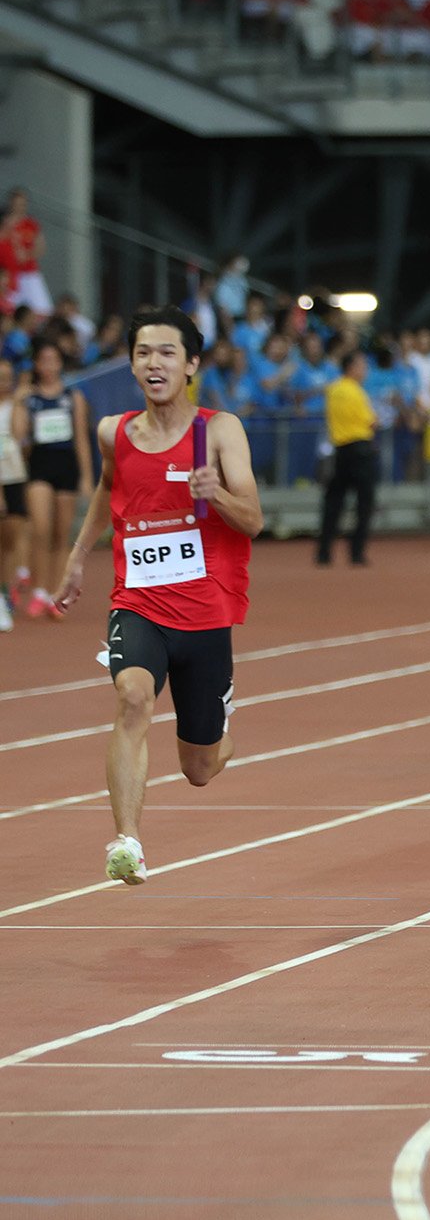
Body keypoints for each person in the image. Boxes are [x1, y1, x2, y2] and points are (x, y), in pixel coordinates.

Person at [52, 306, 262, 885]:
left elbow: (253, 520)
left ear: (191, 363)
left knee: (199, 768)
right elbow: (107, 486)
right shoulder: (113, 431)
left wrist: (214, 492)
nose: (154, 363)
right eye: (144, 352)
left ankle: (220, 731)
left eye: (167, 352)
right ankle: (127, 842)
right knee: (133, 697)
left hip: (205, 611)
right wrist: (77, 556)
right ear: (132, 363)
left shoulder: (220, 432)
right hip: (139, 602)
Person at [12, 338, 92, 620]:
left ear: (60, 364)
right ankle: (39, 589)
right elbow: (18, 435)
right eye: (43, 360)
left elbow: (81, 438)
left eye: (53, 360)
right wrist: (20, 401)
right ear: (36, 364)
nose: (48, 366)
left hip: (66, 466)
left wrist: (85, 477)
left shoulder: (73, 397)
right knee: (41, 529)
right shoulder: (29, 397)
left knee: (61, 534)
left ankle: (56, 594)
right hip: (39, 466)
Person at [316, 348, 377, 566]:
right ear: (352, 368)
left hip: (340, 450)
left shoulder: (333, 389)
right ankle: (356, 552)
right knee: (364, 503)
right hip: (361, 449)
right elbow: (371, 421)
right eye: (362, 366)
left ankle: (323, 552)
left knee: (333, 502)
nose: (365, 370)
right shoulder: (356, 392)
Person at [0, 358, 23, 630]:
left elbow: (19, 434)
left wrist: (17, 402)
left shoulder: (16, 404)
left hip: (13, 474)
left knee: (10, 539)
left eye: (7, 376)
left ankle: (7, 592)